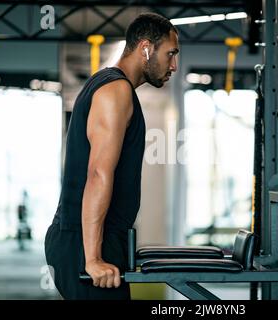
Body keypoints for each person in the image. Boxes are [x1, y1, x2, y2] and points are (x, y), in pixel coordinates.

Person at [44, 13, 179, 300]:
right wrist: (92, 259)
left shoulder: (114, 87)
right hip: (86, 244)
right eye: (170, 54)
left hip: (98, 240)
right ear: (145, 48)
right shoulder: (115, 90)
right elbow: (98, 174)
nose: (174, 65)